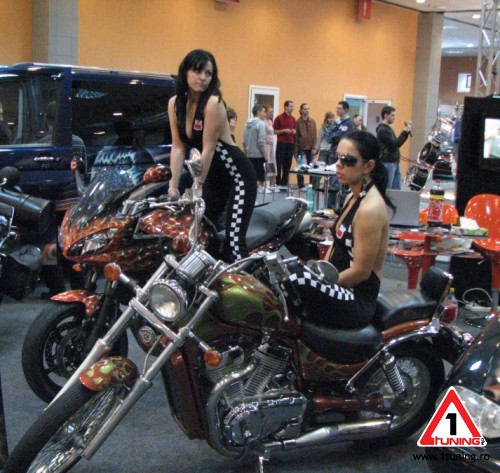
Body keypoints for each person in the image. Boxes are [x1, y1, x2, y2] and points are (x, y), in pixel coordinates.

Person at [286, 131, 393, 329]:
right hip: (340, 287)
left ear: (368, 166)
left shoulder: (369, 209)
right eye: (337, 158)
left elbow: (361, 272)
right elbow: (336, 248)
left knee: (295, 280)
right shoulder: (352, 197)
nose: (339, 165)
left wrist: (321, 284)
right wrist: (318, 274)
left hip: (356, 299)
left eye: (348, 160)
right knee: (282, 271)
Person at [167, 49, 257, 262]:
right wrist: (172, 186)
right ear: (185, 72)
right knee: (198, 237)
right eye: (197, 71)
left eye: (208, 73)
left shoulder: (213, 103)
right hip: (213, 178)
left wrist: (196, 186)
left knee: (234, 243)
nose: (203, 78)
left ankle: (245, 280)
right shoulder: (175, 104)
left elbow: (208, 148)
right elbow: (178, 147)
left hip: (237, 177)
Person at [326, 101, 355, 209]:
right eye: (337, 108)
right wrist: (335, 135)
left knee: (338, 181)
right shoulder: (337, 122)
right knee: (332, 180)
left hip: (342, 155)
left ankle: (336, 206)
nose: (337, 110)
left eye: (340, 108)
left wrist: (335, 135)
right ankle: (331, 206)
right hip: (332, 153)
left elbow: (342, 137)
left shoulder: (349, 123)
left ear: (346, 110)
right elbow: (329, 137)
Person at [376, 105, 412, 190]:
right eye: (392, 115)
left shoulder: (388, 129)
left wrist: (405, 133)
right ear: (386, 115)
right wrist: (404, 132)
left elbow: (396, 143)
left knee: (396, 188)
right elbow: (394, 144)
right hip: (387, 162)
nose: (394, 117)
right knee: (388, 188)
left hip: (394, 162)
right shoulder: (382, 130)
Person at [243, 104, 267, 191]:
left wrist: (246, 152)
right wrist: (265, 155)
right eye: (263, 112)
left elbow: (244, 141)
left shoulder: (246, 124)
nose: (265, 114)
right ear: (258, 112)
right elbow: (261, 142)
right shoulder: (261, 124)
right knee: (260, 179)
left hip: (249, 155)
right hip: (258, 155)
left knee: (251, 177)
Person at [273, 100, 296, 187]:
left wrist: (294, 131)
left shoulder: (293, 119)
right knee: (279, 163)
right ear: (286, 107)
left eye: (293, 106)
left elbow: (294, 130)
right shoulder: (279, 118)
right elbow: (274, 131)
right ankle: (278, 183)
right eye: (291, 106)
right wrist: (283, 130)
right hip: (281, 143)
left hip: (290, 143)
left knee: (288, 164)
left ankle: (284, 183)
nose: (292, 108)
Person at [295, 103, 317, 189]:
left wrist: (314, 147)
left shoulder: (312, 121)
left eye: (308, 108)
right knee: (301, 167)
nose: (307, 110)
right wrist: (296, 151)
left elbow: (315, 135)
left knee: (312, 167)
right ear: (301, 110)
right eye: (305, 109)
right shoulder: (298, 122)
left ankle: (312, 185)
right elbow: (296, 137)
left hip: (311, 148)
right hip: (302, 148)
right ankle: (301, 185)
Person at [263, 104, 277, 188]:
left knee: (272, 162)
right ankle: (266, 184)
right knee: (267, 162)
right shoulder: (263, 122)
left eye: (272, 112)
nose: (271, 113)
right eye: (270, 112)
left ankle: (272, 183)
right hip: (266, 144)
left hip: (271, 144)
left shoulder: (270, 121)